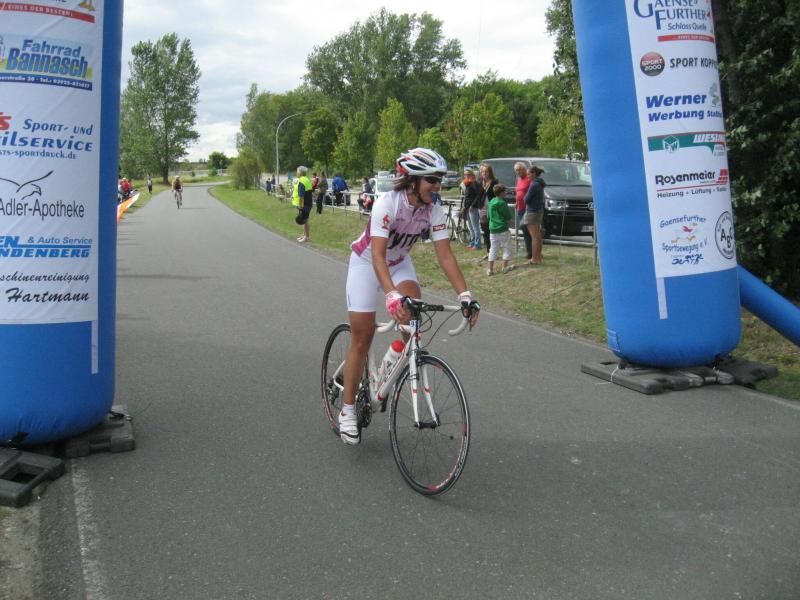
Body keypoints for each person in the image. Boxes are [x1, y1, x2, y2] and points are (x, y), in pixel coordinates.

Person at [338, 148, 481, 445]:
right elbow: (377, 256)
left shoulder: (433, 208)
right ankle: (347, 409)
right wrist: (391, 295)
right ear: (413, 180)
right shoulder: (387, 203)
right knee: (362, 337)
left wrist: (465, 295)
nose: (438, 186)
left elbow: (445, 256)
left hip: (400, 263)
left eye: (440, 180)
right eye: (432, 180)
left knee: (413, 322)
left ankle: (389, 365)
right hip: (367, 263)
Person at [486, 184, 515, 276]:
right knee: (507, 247)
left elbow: (488, 216)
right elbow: (508, 216)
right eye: (505, 191)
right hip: (502, 229)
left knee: (493, 249)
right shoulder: (502, 203)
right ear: (501, 193)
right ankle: (505, 267)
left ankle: (490, 269)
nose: (506, 193)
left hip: (493, 229)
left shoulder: (491, 201)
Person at [523, 165, 546, 265]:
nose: (527, 176)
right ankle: (538, 258)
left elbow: (526, 199)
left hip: (532, 212)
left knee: (534, 237)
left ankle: (534, 259)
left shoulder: (534, 185)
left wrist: (525, 196)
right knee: (538, 236)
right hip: (538, 211)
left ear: (534, 173)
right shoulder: (540, 183)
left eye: (529, 174)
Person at [477, 163, 498, 255]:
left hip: (491, 209)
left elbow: (497, 195)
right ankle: (489, 251)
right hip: (482, 208)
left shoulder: (494, 182)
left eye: (486, 172)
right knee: (485, 229)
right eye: (483, 172)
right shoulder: (479, 182)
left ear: (490, 172)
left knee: (491, 230)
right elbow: (477, 195)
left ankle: (493, 251)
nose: (484, 173)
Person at [514, 162, 532, 261]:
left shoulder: (529, 179)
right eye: (516, 170)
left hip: (527, 208)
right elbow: (518, 192)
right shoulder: (518, 179)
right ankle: (529, 251)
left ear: (524, 169)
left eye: (519, 169)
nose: (518, 172)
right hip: (520, 208)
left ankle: (531, 251)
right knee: (525, 230)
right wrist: (517, 202)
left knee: (526, 228)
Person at [292, 166, 313, 242]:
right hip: (308, 202)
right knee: (304, 219)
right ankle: (304, 235)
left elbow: (301, 196)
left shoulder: (301, 181)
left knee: (305, 220)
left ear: (300, 172)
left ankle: (306, 237)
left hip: (305, 204)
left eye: (297, 171)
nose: (297, 172)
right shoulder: (306, 179)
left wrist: (301, 206)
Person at [462, 168, 481, 250]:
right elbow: (467, 197)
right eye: (465, 174)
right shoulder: (467, 184)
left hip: (473, 208)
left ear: (472, 175)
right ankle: (472, 242)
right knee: (470, 227)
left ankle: (477, 244)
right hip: (467, 208)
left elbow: (478, 196)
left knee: (475, 227)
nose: (466, 176)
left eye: (468, 174)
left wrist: (472, 206)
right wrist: (464, 206)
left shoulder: (474, 183)